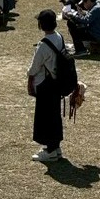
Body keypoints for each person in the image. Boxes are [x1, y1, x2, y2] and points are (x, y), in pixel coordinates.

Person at [28, 9, 67, 163]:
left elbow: (34, 67)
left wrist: (29, 78)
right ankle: (55, 147)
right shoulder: (59, 37)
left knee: (45, 118)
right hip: (57, 83)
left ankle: (50, 151)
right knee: (54, 116)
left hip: (46, 84)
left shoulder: (43, 45)